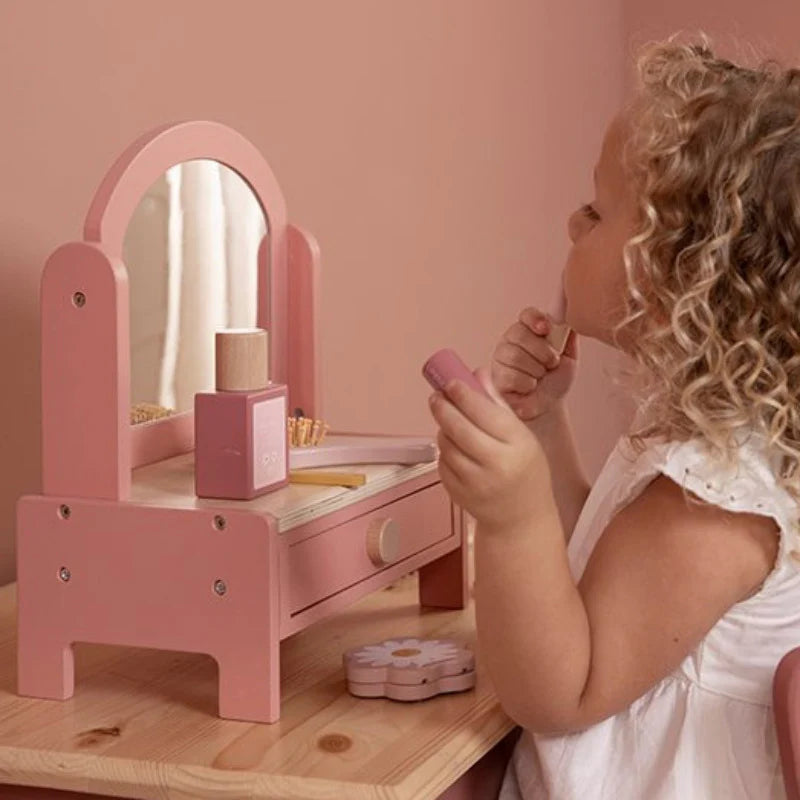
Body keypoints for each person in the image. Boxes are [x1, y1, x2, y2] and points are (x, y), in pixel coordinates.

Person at [427, 36, 800, 798]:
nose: (573, 223)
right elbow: (591, 584)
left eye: (597, 212)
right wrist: (544, 428)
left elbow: (558, 692)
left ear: (677, 274)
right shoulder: (708, 449)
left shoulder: (715, 508)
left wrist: (511, 518)